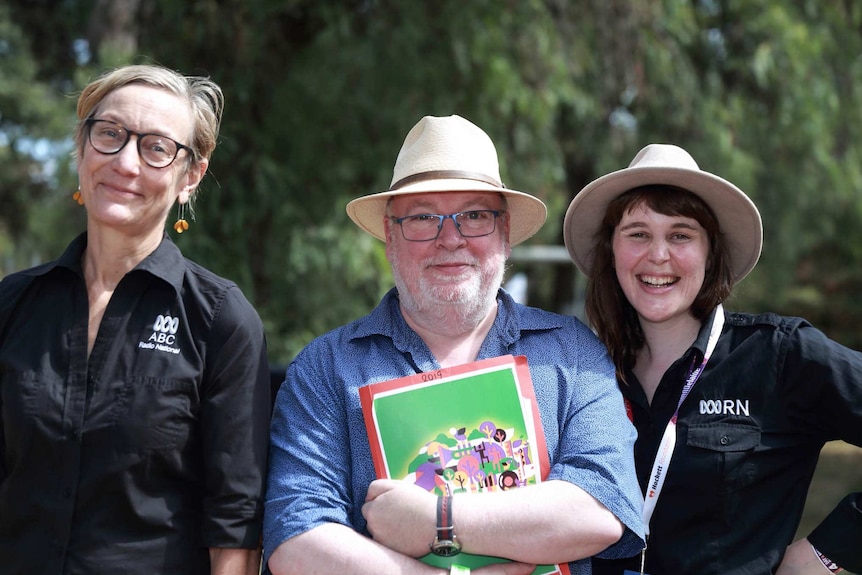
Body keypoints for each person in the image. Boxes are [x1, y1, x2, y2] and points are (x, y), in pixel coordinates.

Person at [263, 115, 645, 575]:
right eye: (423, 217)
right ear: (390, 235)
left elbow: (600, 510)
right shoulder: (326, 368)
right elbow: (294, 538)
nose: (450, 238)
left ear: (504, 233)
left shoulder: (573, 354)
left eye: (475, 216)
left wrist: (436, 521)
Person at [0, 64, 271, 574]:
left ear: (190, 176)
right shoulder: (11, 306)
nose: (126, 162)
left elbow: (235, 521)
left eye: (156, 148)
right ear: (81, 150)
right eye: (110, 134)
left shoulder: (221, 320)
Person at [563, 143, 862, 575]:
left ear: (710, 252)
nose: (658, 255)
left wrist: (826, 553)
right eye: (638, 233)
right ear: (612, 250)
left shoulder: (779, 356)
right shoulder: (584, 372)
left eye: (681, 234)